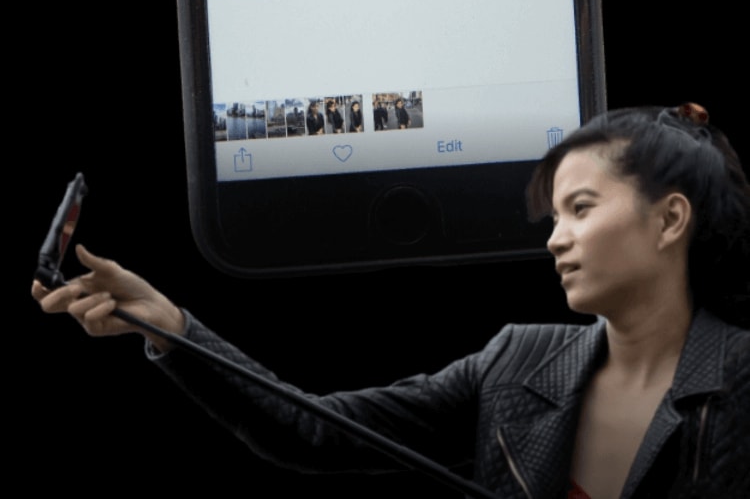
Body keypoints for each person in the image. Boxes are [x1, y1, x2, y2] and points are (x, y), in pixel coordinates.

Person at [33, 104, 750, 497]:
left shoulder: (743, 379)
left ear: (670, 219)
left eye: (581, 209)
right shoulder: (517, 359)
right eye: (554, 216)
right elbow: (310, 431)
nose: (555, 241)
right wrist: (170, 325)